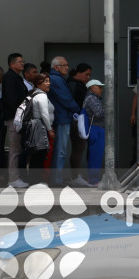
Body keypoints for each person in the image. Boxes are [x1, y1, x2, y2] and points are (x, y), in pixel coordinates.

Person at [48, 56, 80, 185]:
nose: (68, 67)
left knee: (58, 150)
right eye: (65, 65)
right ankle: (56, 179)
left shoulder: (56, 78)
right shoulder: (57, 79)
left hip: (60, 117)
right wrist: (78, 109)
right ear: (56, 67)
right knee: (60, 150)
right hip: (61, 118)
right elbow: (66, 98)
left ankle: (56, 178)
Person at [2, 53, 29, 188]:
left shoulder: (16, 77)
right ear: (12, 64)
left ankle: (15, 177)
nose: (22, 64)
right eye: (20, 62)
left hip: (18, 116)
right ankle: (13, 178)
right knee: (14, 148)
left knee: (17, 148)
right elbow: (12, 99)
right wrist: (21, 112)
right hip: (15, 117)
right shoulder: (10, 78)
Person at [24, 73, 54, 185]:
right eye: (45, 81)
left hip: (36, 128)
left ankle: (34, 180)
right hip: (41, 128)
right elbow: (44, 114)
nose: (48, 83)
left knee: (36, 155)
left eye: (48, 81)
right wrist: (50, 129)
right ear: (38, 83)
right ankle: (36, 181)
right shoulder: (41, 96)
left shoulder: (34, 94)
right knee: (40, 155)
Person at [67, 63, 92, 180]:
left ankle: (76, 176)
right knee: (78, 148)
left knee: (79, 148)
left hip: (80, 118)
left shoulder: (78, 85)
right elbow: (71, 102)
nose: (88, 77)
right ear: (78, 73)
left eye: (89, 75)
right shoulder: (73, 85)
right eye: (86, 75)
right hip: (77, 119)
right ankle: (76, 177)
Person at [83, 79, 105, 185]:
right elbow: (99, 113)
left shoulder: (91, 98)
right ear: (92, 88)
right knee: (96, 155)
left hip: (94, 128)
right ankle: (93, 180)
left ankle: (93, 179)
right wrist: (108, 108)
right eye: (99, 87)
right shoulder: (92, 98)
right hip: (96, 128)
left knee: (94, 155)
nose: (101, 89)